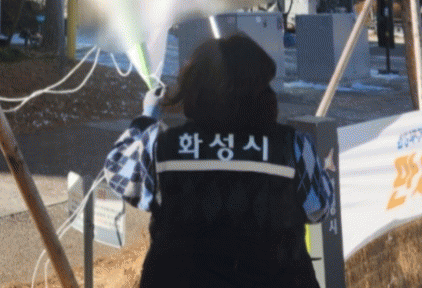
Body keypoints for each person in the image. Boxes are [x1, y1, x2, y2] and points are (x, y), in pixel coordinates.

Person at [104, 33, 334, 287]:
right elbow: (319, 209)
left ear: (195, 91)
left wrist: (147, 117)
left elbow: (117, 173)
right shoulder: (294, 147)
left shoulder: (161, 146)